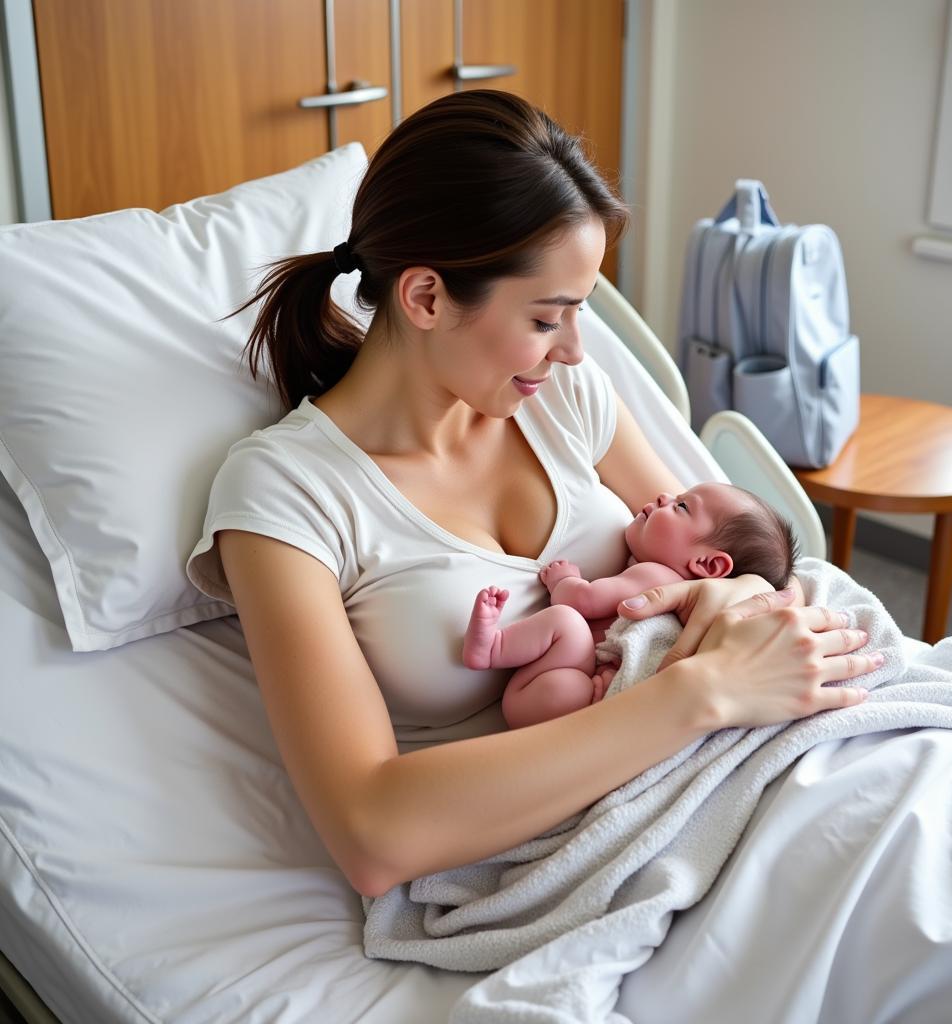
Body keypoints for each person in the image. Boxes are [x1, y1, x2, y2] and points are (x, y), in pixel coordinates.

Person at [185, 89, 875, 901]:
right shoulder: (286, 494)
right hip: (597, 826)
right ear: (427, 298)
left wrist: (744, 620)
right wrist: (700, 694)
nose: (577, 352)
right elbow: (373, 831)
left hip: (751, 764)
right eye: (550, 319)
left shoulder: (559, 400)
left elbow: (733, 572)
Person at [464, 482, 799, 727]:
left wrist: (563, 581)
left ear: (708, 566)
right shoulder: (697, 599)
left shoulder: (656, 575)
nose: (664, 497)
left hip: (559, 693)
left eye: (681, 507)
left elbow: (584, 600)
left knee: (568, 621)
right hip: (569, 699)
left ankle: (493, 647)